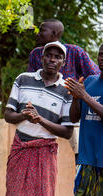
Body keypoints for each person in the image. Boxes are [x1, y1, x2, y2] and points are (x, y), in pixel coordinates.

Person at [0, 41, 74, 196]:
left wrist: (40, 120)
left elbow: (66, 131)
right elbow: (8, 115)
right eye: (48, 55)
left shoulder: (66, 90)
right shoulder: (23, 79)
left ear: (63, 62)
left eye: (57, 57)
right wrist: (24, 115)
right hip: (20, 145)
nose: (52, 59)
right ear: (41, 58)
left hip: (45, 150)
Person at [27, 18, 101, 163]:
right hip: (44, 109)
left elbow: (95, 77)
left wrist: (80, 93)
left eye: (42, 30)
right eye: (48, 56)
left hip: (70, 108)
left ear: (54, 33)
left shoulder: (74, 52)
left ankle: (79, 165)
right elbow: (30, 83)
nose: (38, 33)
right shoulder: (35, 54)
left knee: (77, 144)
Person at [64, 44, 103, 196]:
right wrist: (76, 98)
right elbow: (74, 117)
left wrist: (84, 95)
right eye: (100, 54)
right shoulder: (88, 81)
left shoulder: (87, 88)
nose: (102, 58)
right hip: (87, 159)